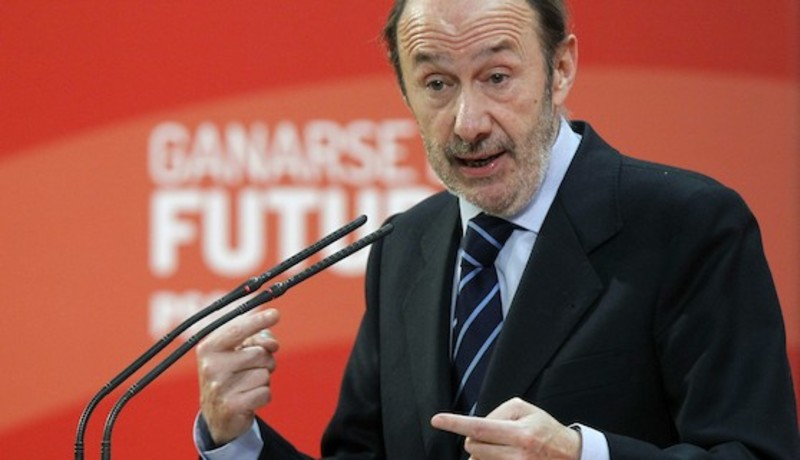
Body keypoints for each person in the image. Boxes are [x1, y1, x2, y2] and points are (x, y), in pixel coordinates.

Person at [193, 0, 800, 458]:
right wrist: (235, 439)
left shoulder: (688, 224)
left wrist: (580, 455)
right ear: (405, 92)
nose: (468, 123)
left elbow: (752, 452)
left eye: (497, 77)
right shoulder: (404, 246)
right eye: (437, 84)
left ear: (560, 69)